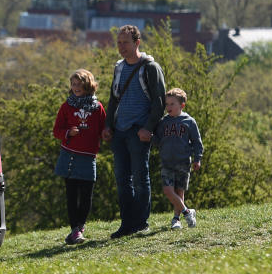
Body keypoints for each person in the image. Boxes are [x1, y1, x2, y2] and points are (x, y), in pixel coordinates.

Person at [101, 24, 167, 239]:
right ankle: (126, 223)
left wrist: (148, 128)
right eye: (119, 43)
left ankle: (141, 223)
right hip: (119, 132)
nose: (121, 47)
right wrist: (108, 125)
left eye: (125, 43)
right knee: (122, 179)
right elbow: (113, 98)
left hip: (139, 132)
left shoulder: (150, 67)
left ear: (137, 43)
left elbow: (159, 102)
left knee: (140, 178)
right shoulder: (119, 67)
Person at [53, 68, 108, 244]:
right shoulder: (66, 106)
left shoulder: (98, 108)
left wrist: (107, 134)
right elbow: (57, 131)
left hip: (89, 156)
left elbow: (103, 129)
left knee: (86, 195)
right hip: (69, 155)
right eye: (73, 84)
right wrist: (68, 132)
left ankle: (80, 227)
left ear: (88, 85)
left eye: (79, 84)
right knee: (71, 195)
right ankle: (75, 230)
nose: (76, 87)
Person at [155, 87, 202, 229]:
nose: (168, 107)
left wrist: (197, 158)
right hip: (167, 162)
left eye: (172, 104)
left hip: (183, 162)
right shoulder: (163, 122)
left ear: (182, 105)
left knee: (179, 192)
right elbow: (158, 140)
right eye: (167, 104)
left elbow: (197, 141)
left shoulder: (189, 121)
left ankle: (176, 219)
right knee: (168, 191)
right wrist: (150, 138)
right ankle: (187, 212)